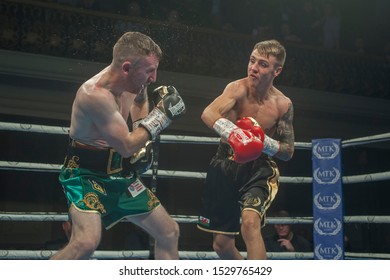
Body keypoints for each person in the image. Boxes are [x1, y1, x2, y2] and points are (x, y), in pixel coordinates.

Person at [51, 31, 186, 260]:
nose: (154, 78)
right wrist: (161, 117)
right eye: (149, 71)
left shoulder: (135, 81)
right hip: (85, 173)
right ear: (126, 68)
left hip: (120, 172)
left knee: (169, 232)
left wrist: (142, 132)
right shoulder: (94, 95)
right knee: (85, 242)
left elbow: (141, 101)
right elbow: (126, 146)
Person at [197, 39, 294, 260]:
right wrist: (237, 134)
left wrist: (262, 143)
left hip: (258, 168)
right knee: (222, 245)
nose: (254, 68)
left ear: (277, 71)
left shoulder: (283, 104)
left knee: (250, 224)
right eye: (252, 61)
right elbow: (209, 113)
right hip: (225, 164)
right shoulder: (236, 89)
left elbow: (288, 151)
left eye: (262, 64)